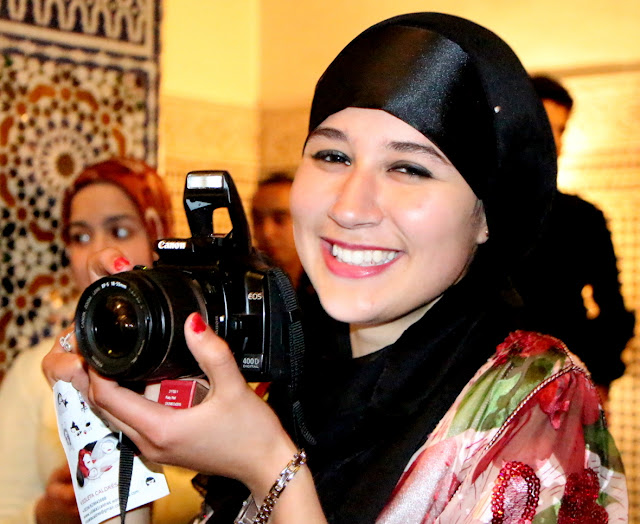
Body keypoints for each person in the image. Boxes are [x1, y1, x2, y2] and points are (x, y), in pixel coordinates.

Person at [43, 13, 627, 523]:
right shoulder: (287, 375)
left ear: (486, 216)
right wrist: (105, 423)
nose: (349, 207)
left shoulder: (538, 400)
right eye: (332, 155)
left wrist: (270, 466)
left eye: (409, 169)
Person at [0, 158, 202, 524]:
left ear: (158, 237)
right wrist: (45, 514)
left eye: (120, 231)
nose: (98, 252)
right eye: (80, 236)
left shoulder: (205, 359)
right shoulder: (37, 371)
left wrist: (112, 494)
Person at [513, 75, 635, 403]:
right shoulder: (478, 211)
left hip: (565, 382)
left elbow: (612, 308)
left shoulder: (584, 217)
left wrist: (600, 375)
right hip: (488, 386)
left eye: (562, 129)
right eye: (545, 126)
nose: (555, 141)